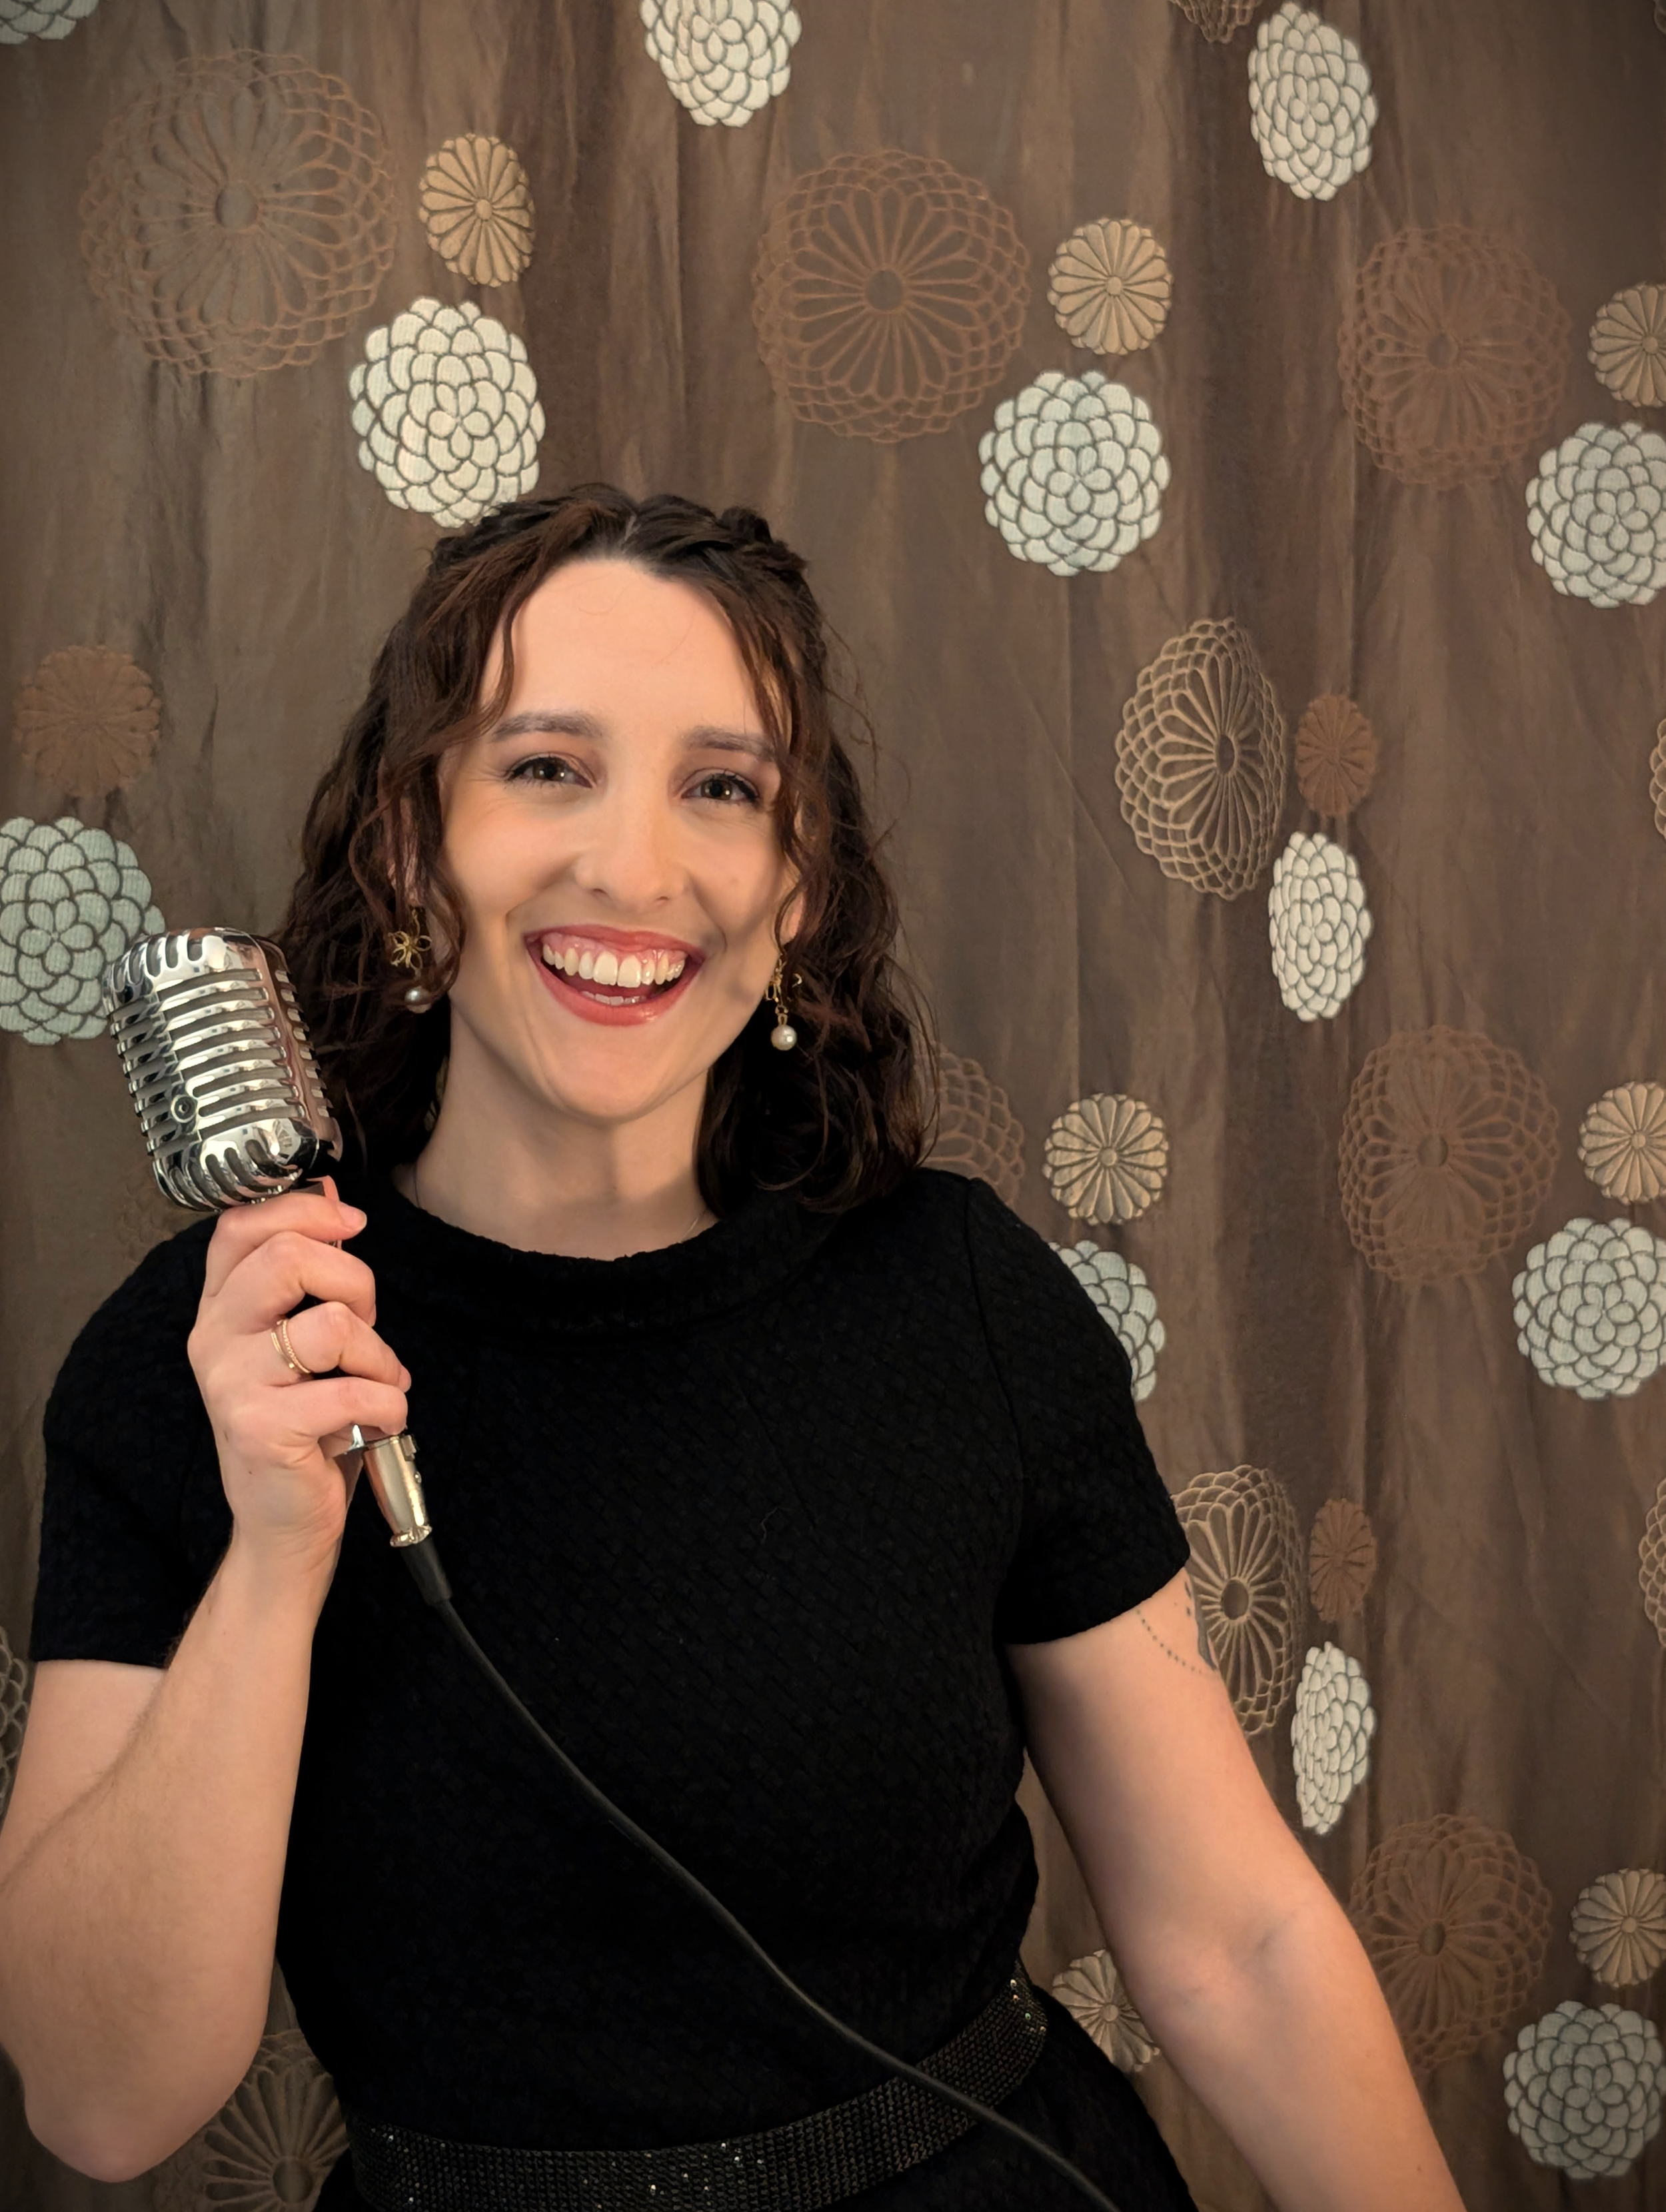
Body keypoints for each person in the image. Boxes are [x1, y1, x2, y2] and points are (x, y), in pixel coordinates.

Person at [0, 488, 1463, 2212]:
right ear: (409, 849)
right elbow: (102, 2107)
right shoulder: (196, 1369)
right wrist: (274, 1554)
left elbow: (1237, 1943)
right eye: (547, 767)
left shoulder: (964, 1304)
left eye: (723, 788)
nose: (638, 867)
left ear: (795, 891)